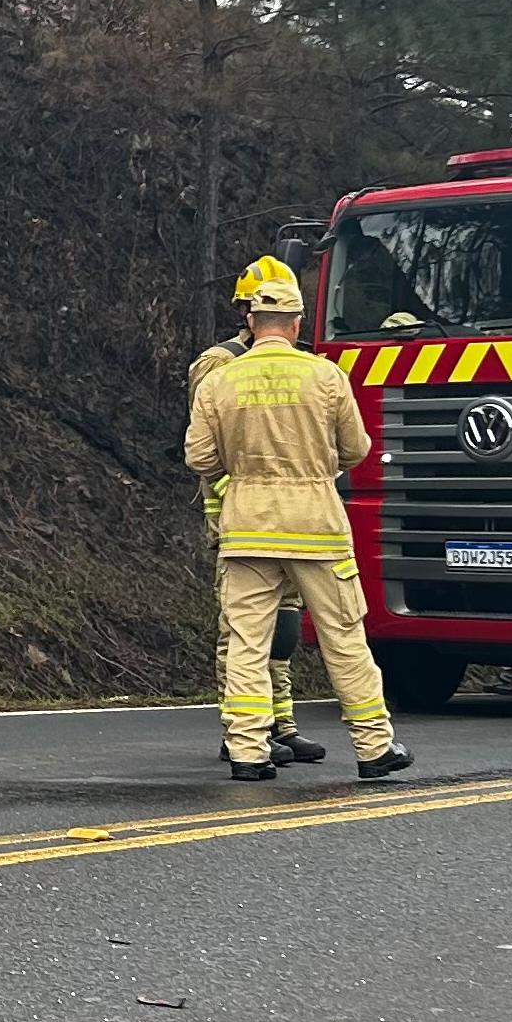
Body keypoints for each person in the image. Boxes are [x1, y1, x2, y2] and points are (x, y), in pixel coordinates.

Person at [187, 264, 406, 782]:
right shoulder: (325, 375)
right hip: (317, 527)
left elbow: (198, 457)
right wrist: (315, 464)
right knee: (344, 637)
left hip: (247, 527)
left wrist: (240, 471)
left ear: (251, 318)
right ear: (297, 320)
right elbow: (357, 449)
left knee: (246, 642)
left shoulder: (220, 379)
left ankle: (247, 752)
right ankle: (374, 747)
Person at [192, 259, 324, 765]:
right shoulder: (218, 365)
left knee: (284, 626)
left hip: (291, 514)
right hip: (237, 515)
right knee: (243, 627)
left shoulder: (300, 365)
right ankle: (241, 730)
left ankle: (281, 725)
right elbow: (207, 447)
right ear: (247, 314)